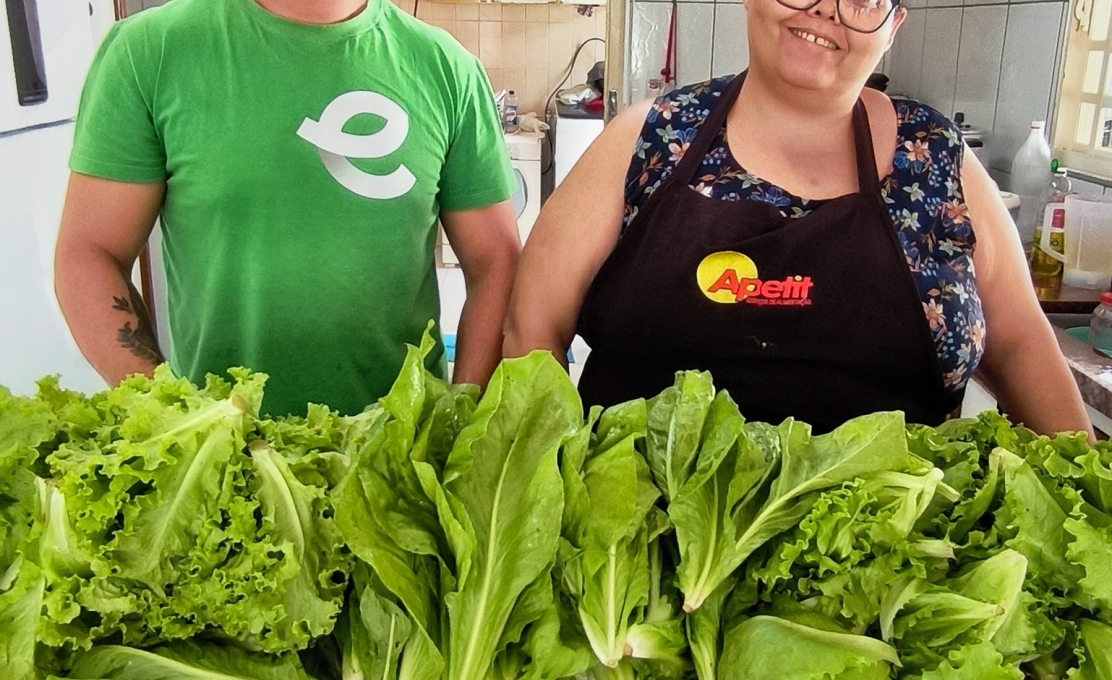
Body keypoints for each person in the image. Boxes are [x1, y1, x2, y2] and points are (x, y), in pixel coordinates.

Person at [504, 0, 1093, 436]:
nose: (826, 10)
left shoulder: (937, 158)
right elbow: (532, 330)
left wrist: (1085, 496)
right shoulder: (648, 139)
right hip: (639, 577)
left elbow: (1019, 342)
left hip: (894, 580)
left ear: (893, 26)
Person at [55, 0, 520, 416]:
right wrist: (170, 417)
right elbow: (89, 253)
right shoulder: (151, 52)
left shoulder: (448, 68)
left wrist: (458, 418)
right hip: (224, 458)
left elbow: (496, 261)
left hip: (397, 455)